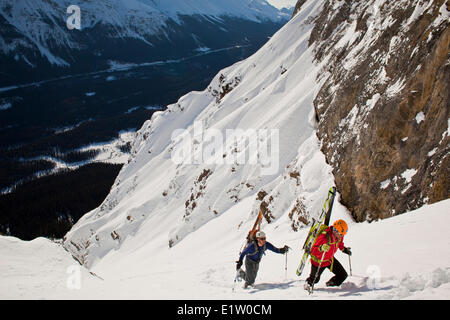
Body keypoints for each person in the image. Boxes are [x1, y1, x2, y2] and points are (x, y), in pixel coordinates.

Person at [304, 219, 352, 291]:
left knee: (342, 275)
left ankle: (330, 286)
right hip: (318, 261)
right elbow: (313, 251)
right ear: (335, 230)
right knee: (314, 280)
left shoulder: (339, 236)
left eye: (343, 235)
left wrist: (344, 249)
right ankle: (307, 284)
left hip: (329, 260)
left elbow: (340, 243)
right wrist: (321, 248)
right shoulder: (324, 236)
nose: (342, 236)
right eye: (341, 234)